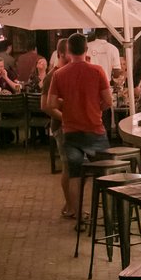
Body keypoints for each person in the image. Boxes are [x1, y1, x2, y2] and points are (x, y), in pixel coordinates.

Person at [45, 33, 112, 220]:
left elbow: (50, 103)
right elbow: (109, 101)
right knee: (103, 172)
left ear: (68, 50)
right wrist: (96, 108)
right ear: (86, 49)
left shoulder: (59, 74)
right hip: (95, 129)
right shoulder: (97, 71)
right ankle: (108, 214)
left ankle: (79, 214)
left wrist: (68, 104)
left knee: (74, 174)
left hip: (71, 131)